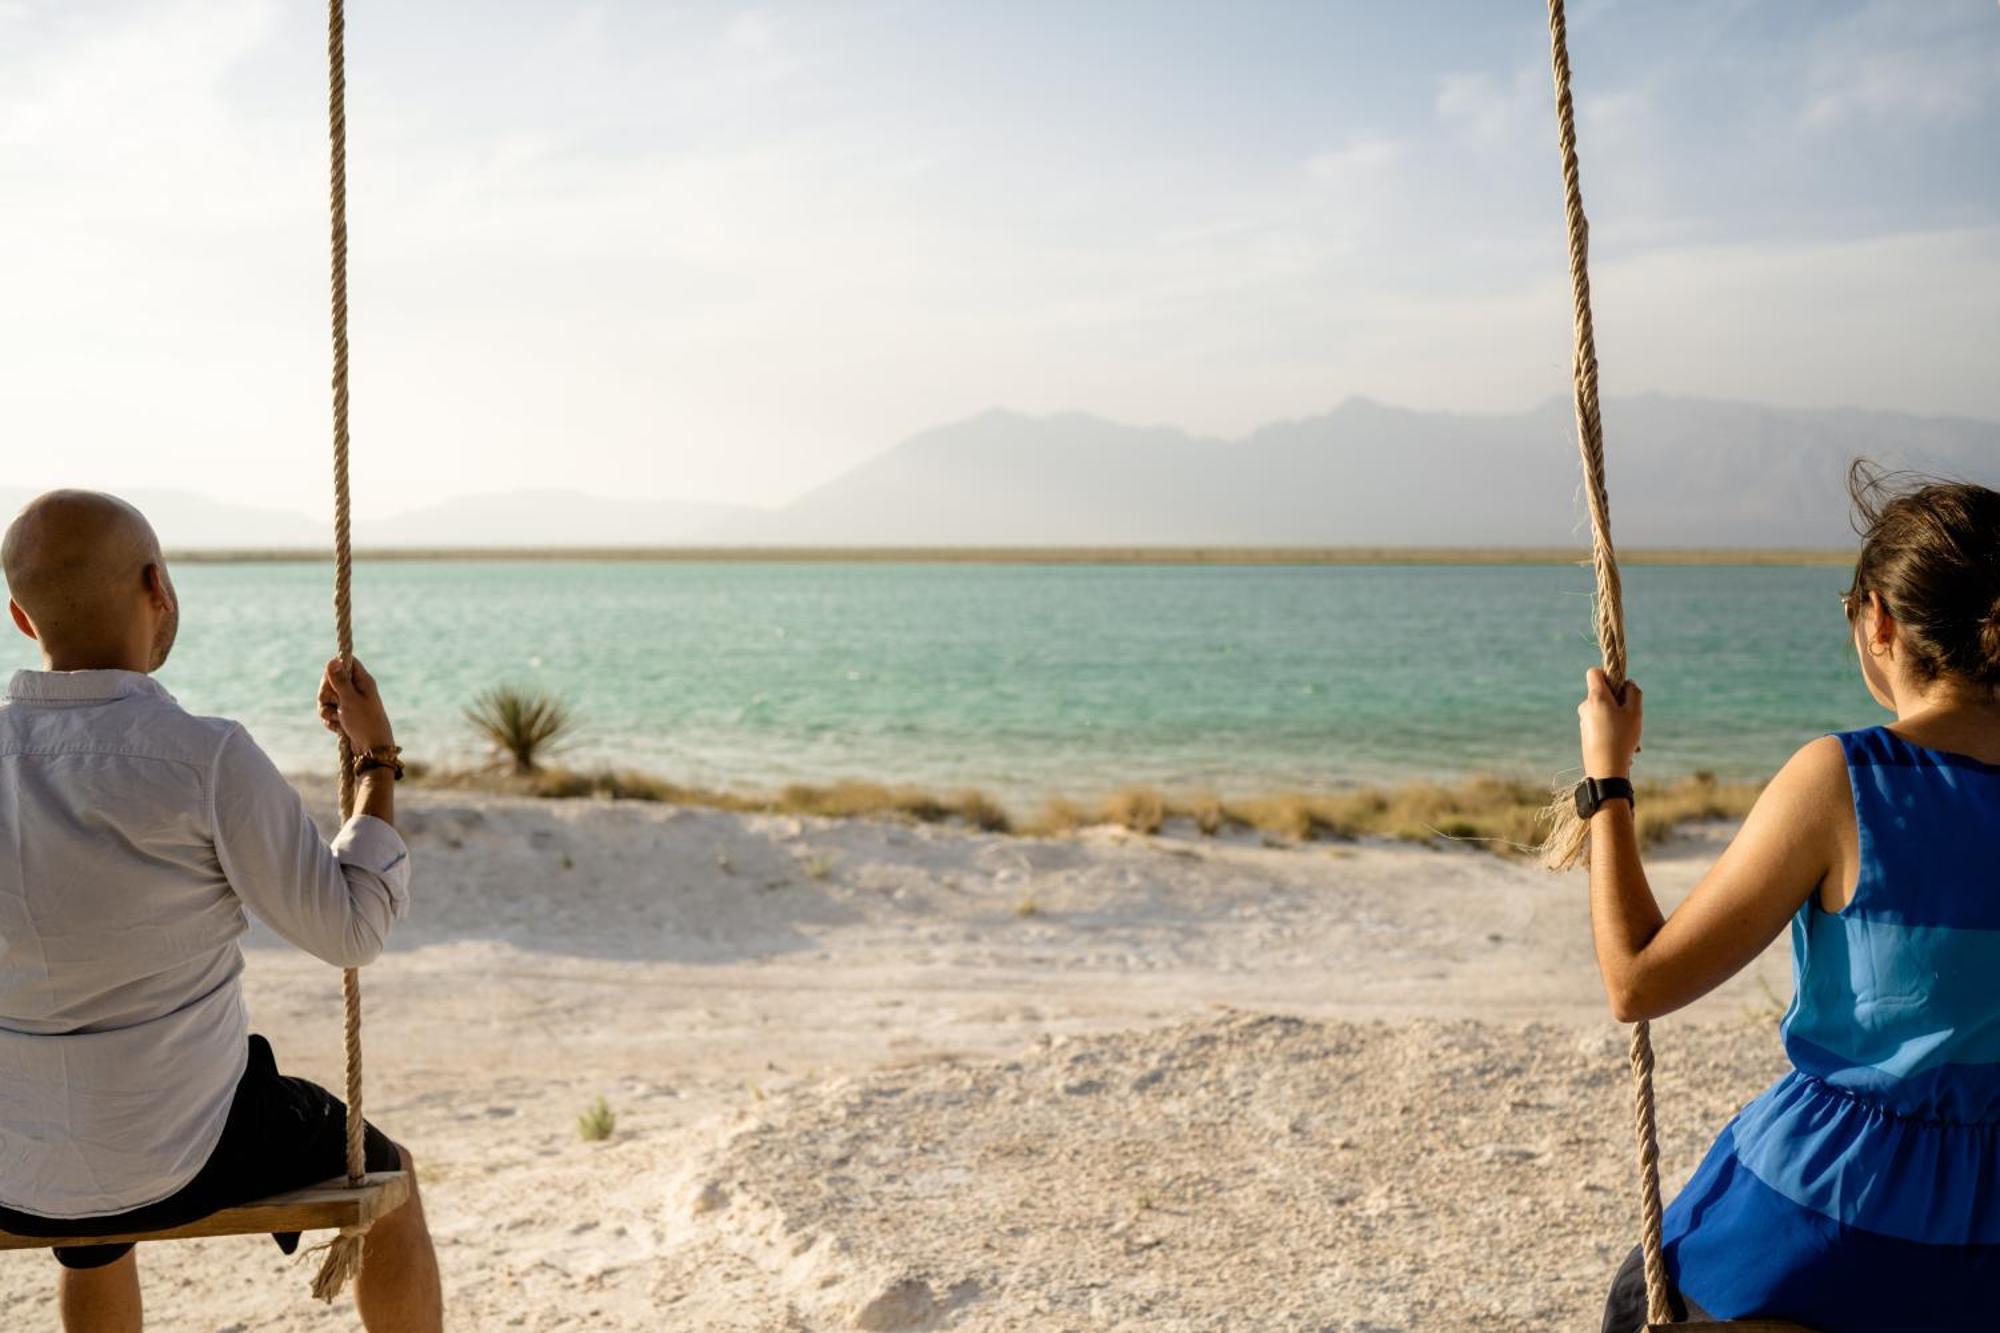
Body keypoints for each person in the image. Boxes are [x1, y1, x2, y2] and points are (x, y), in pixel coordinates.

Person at [0, 491, 443, 1332]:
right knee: (389, 1184)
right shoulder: (205, 757)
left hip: (13, 1163)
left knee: (89, 1228)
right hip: (184, 1151)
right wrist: (376, 762)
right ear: (158, 588)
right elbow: (352, 929)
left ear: (22, 618)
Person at [1586, 466, 2000, 1333]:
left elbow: (1638, 981)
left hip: (1840, 1216)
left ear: (1878, 618)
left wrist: (1607, 781)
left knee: (1644, 1299)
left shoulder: (1849, 781)